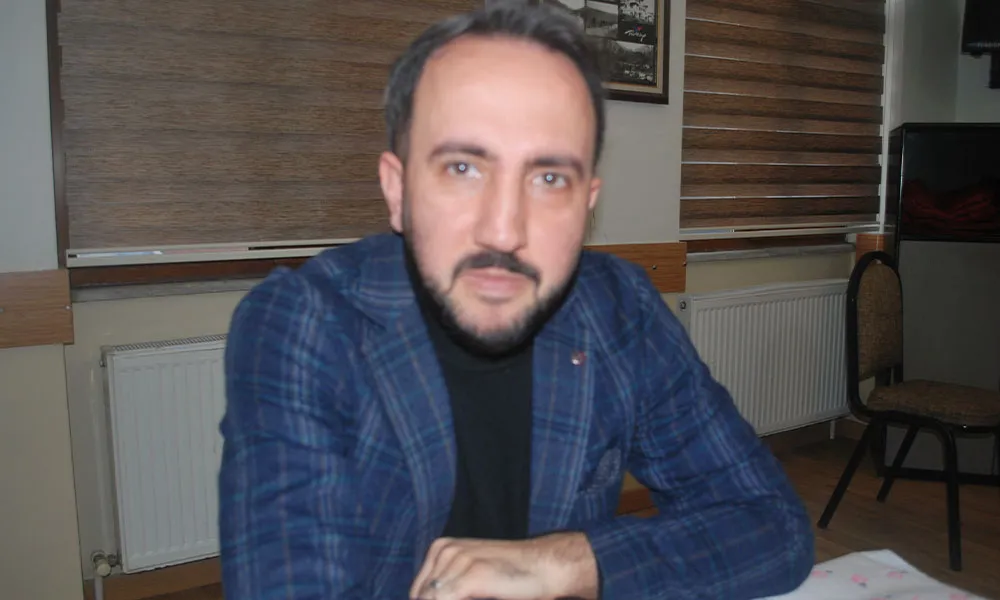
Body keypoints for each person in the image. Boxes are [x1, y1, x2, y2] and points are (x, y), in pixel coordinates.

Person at [218, 3, 815, 599]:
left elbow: (774, 527)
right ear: (398, 192)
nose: (503, 232)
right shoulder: (303, 325)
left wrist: (566, 563)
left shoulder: (619, 310)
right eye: (462, 168)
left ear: (587, 205)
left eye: (549, 179)